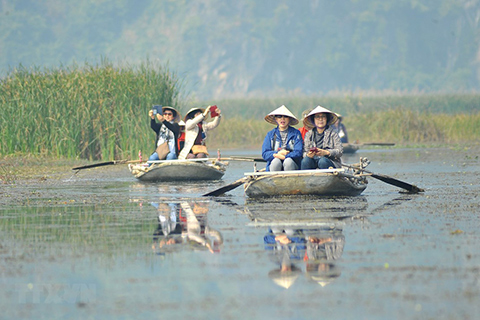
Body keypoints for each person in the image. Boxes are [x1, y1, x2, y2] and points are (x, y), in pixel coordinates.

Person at [261, 105, 303, 171]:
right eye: (279, 116)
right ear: (276, 119)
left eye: (285, 116)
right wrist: (277, 154)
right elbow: (265, 153)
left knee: (288, 161)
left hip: (292, 164)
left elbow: (298, 152)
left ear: (289, 119)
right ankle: (275, 180)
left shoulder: (296, 133)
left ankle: (290, 180)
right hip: (275, 161)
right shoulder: (270, 134)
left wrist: (285, 156)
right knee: (276, 161)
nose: (282, 119)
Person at [301, 105, 343, 170]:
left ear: (327, 119)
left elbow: (339, 151)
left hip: (329, 162)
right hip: (313, 161)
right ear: (313, 119)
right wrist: (308, 154)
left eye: (323, 117)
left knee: (322, 161)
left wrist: (326, 152)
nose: (320, 119)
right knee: (305, 161)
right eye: (317, 117)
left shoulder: (333, 133)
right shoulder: (309, 134)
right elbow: (304, 151)